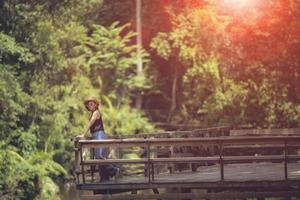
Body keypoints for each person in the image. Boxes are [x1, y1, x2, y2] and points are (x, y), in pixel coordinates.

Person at [79, 97, 119, 182]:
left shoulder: (96, 112)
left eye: (92, 103)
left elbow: (91, 123)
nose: (90, 105)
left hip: (99, 135)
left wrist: (84, 134)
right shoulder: (93, 112)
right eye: (89, 104)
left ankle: (114, 169)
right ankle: (104, 179)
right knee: (101, 158)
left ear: (96, 104)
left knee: (99, 157)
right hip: (95, 135)